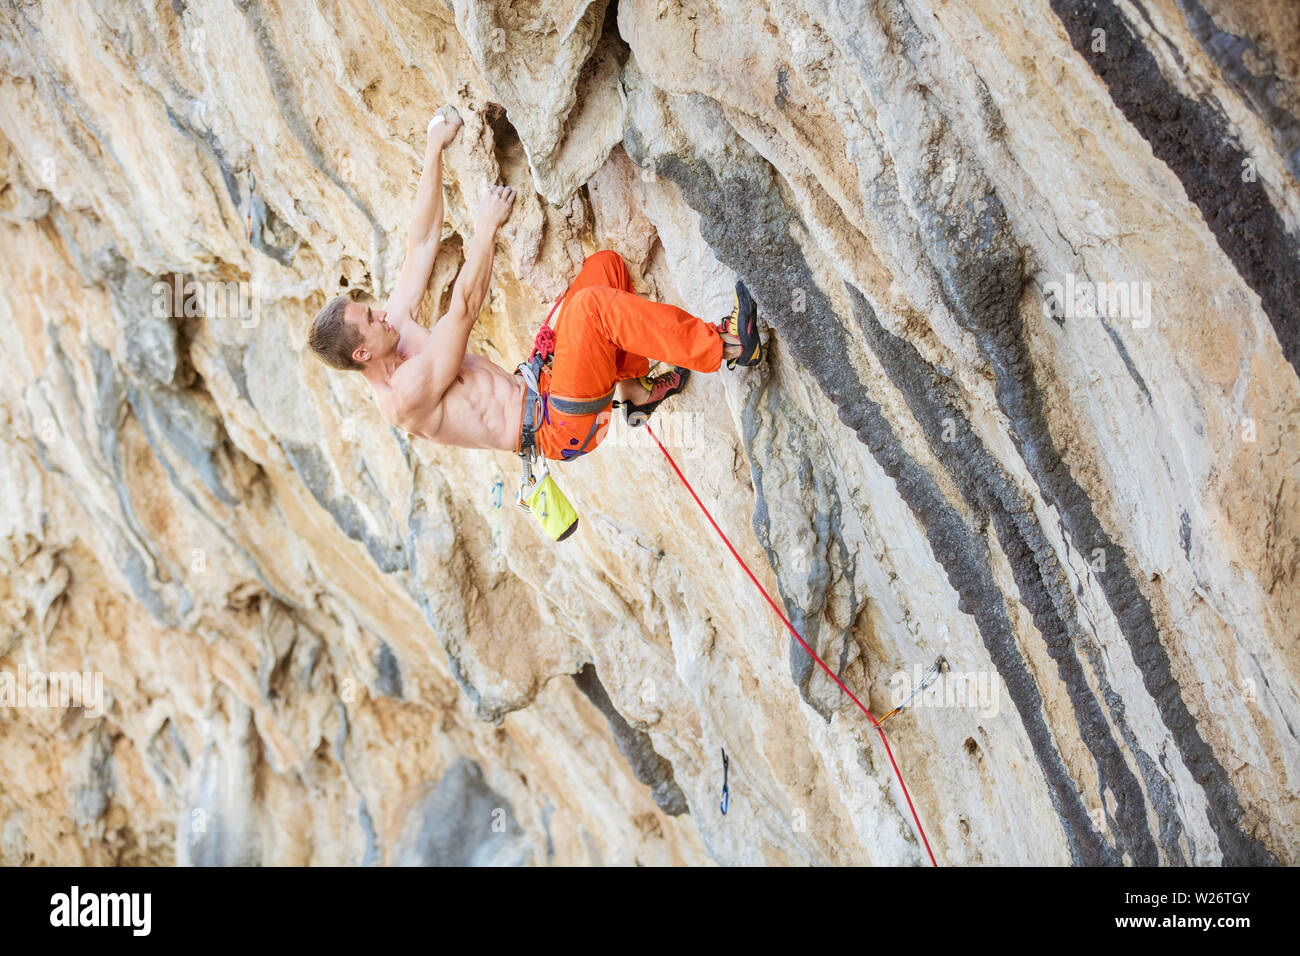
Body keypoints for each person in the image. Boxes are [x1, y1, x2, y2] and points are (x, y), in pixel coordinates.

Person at [306, 109, 764, 463]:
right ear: (362, 352)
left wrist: (433, 151)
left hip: (542, 383)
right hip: (558, 425)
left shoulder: (396, 332)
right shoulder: (404, 396)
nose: (382, 312)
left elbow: (421, 243)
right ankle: (726, 346)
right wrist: (485, 230)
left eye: (372, 309)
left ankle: (636, 391)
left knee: (604, 270)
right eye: (369, 318)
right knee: (590, 310)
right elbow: (463, 309)